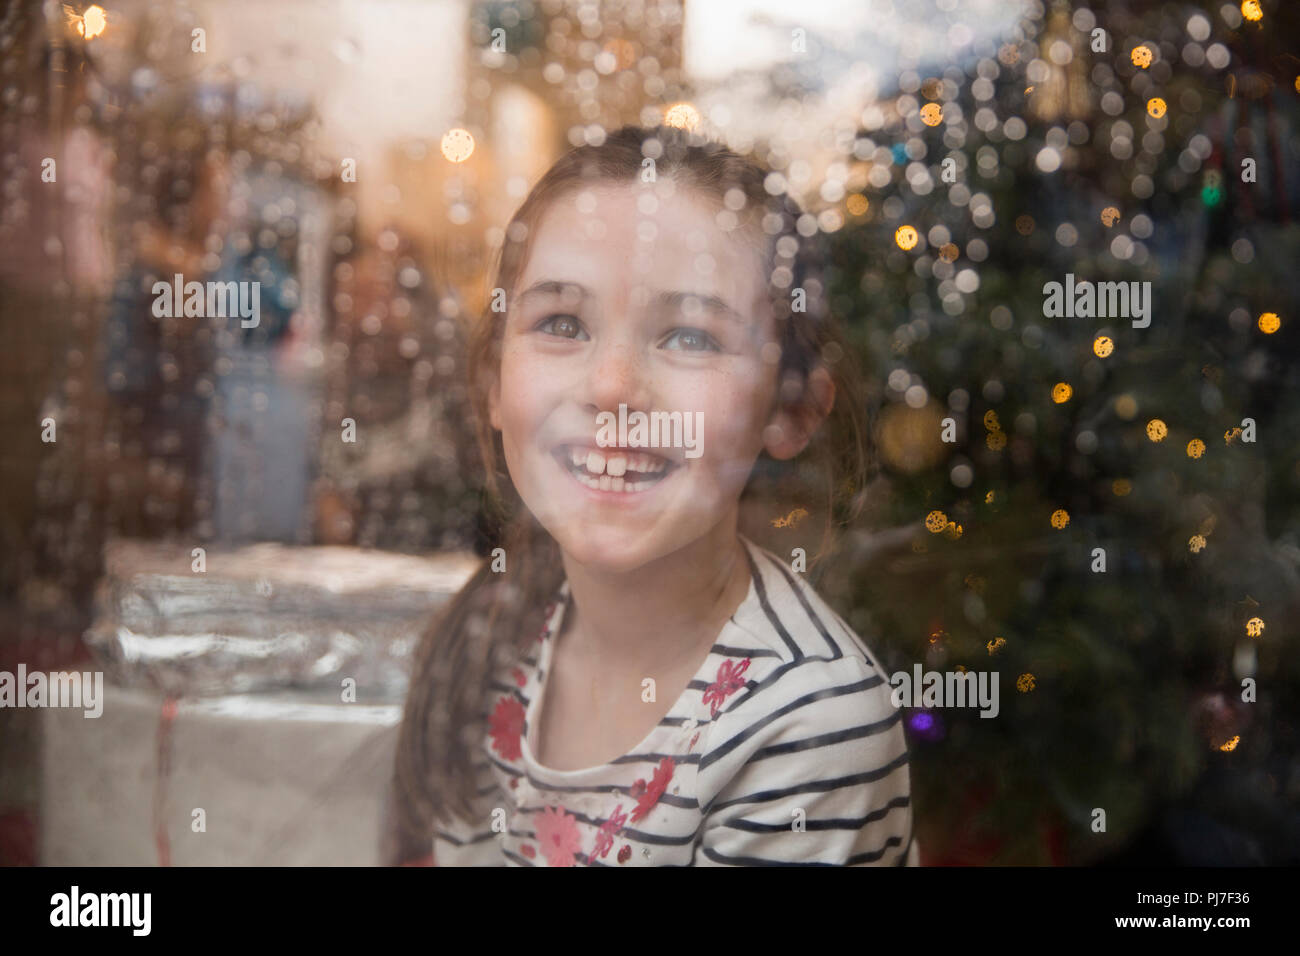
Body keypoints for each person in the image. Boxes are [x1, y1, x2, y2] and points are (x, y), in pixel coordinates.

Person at [393, 124, 919, 866]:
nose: (612, 386)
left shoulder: (804, 721)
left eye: (691, 337)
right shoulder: (489, 643)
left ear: (790, 409)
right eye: (563, 323)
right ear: (492, 386)